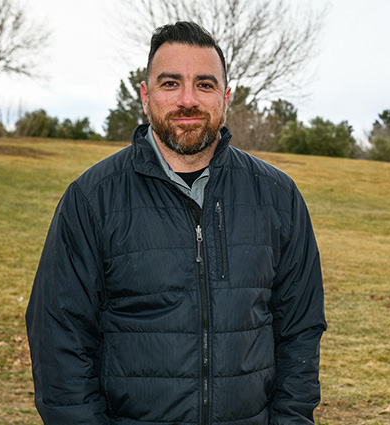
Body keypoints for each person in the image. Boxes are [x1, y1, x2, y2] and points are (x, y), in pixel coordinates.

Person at [26, 21, 326, 425]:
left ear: (226, 96)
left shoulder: (278, 195)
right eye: (171, 84)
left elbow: (300, 329)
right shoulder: (92, 198)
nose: (188, 99)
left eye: (204, 84)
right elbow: (58, 337)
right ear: (146, 97)